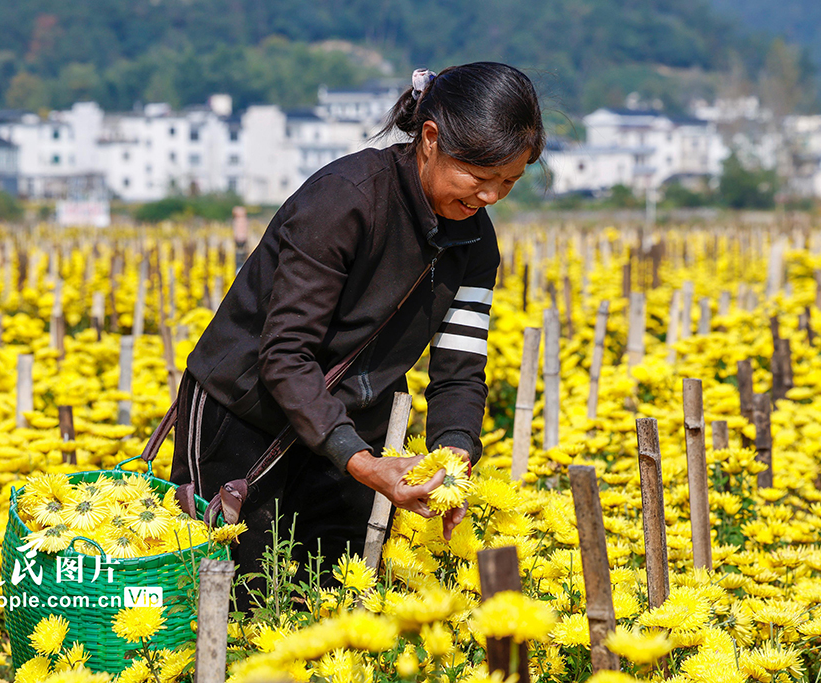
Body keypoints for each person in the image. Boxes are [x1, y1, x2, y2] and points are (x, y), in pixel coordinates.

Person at [170, 62, 544, 595]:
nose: (490, 197)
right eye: (479, 178)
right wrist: (364, 463)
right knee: (232, 603)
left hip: (350, 426)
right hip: (247, 417)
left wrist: (453, 455)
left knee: (332, 600)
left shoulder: (476, 243)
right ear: (431, 140)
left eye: (509, 182)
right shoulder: (346, 199)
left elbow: (460, 366)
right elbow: (285, 354)